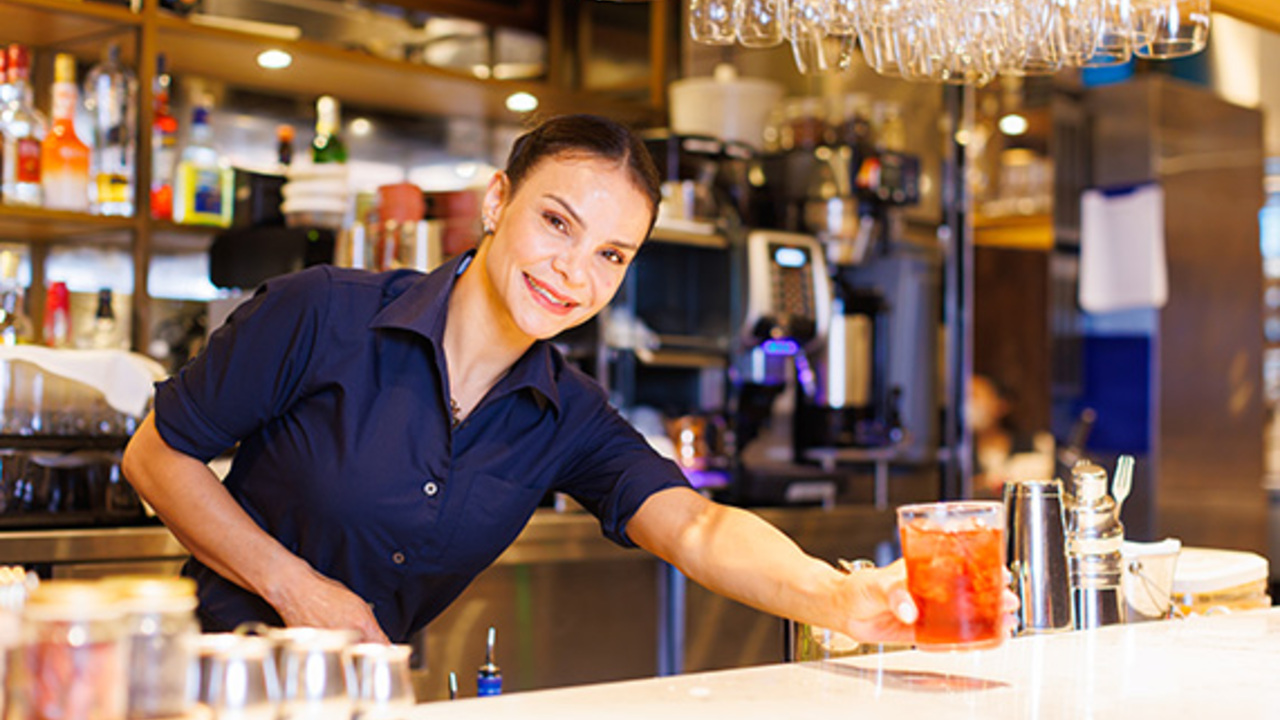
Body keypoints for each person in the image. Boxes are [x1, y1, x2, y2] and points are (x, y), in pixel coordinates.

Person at [123, 114, 1005, 647]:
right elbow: (157, 459)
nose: (572, 272)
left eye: (611, 254)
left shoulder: (565, 415)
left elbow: (695, 527)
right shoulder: (323, 314)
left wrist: (839, 595)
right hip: (206, 682)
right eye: (557, 222)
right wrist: (298, 590)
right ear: (498, 201)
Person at [969, 375, 1055, 498]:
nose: (969, 405)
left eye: (974, 396)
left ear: (1001, 404)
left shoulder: (1035, 444)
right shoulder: (956, 454)